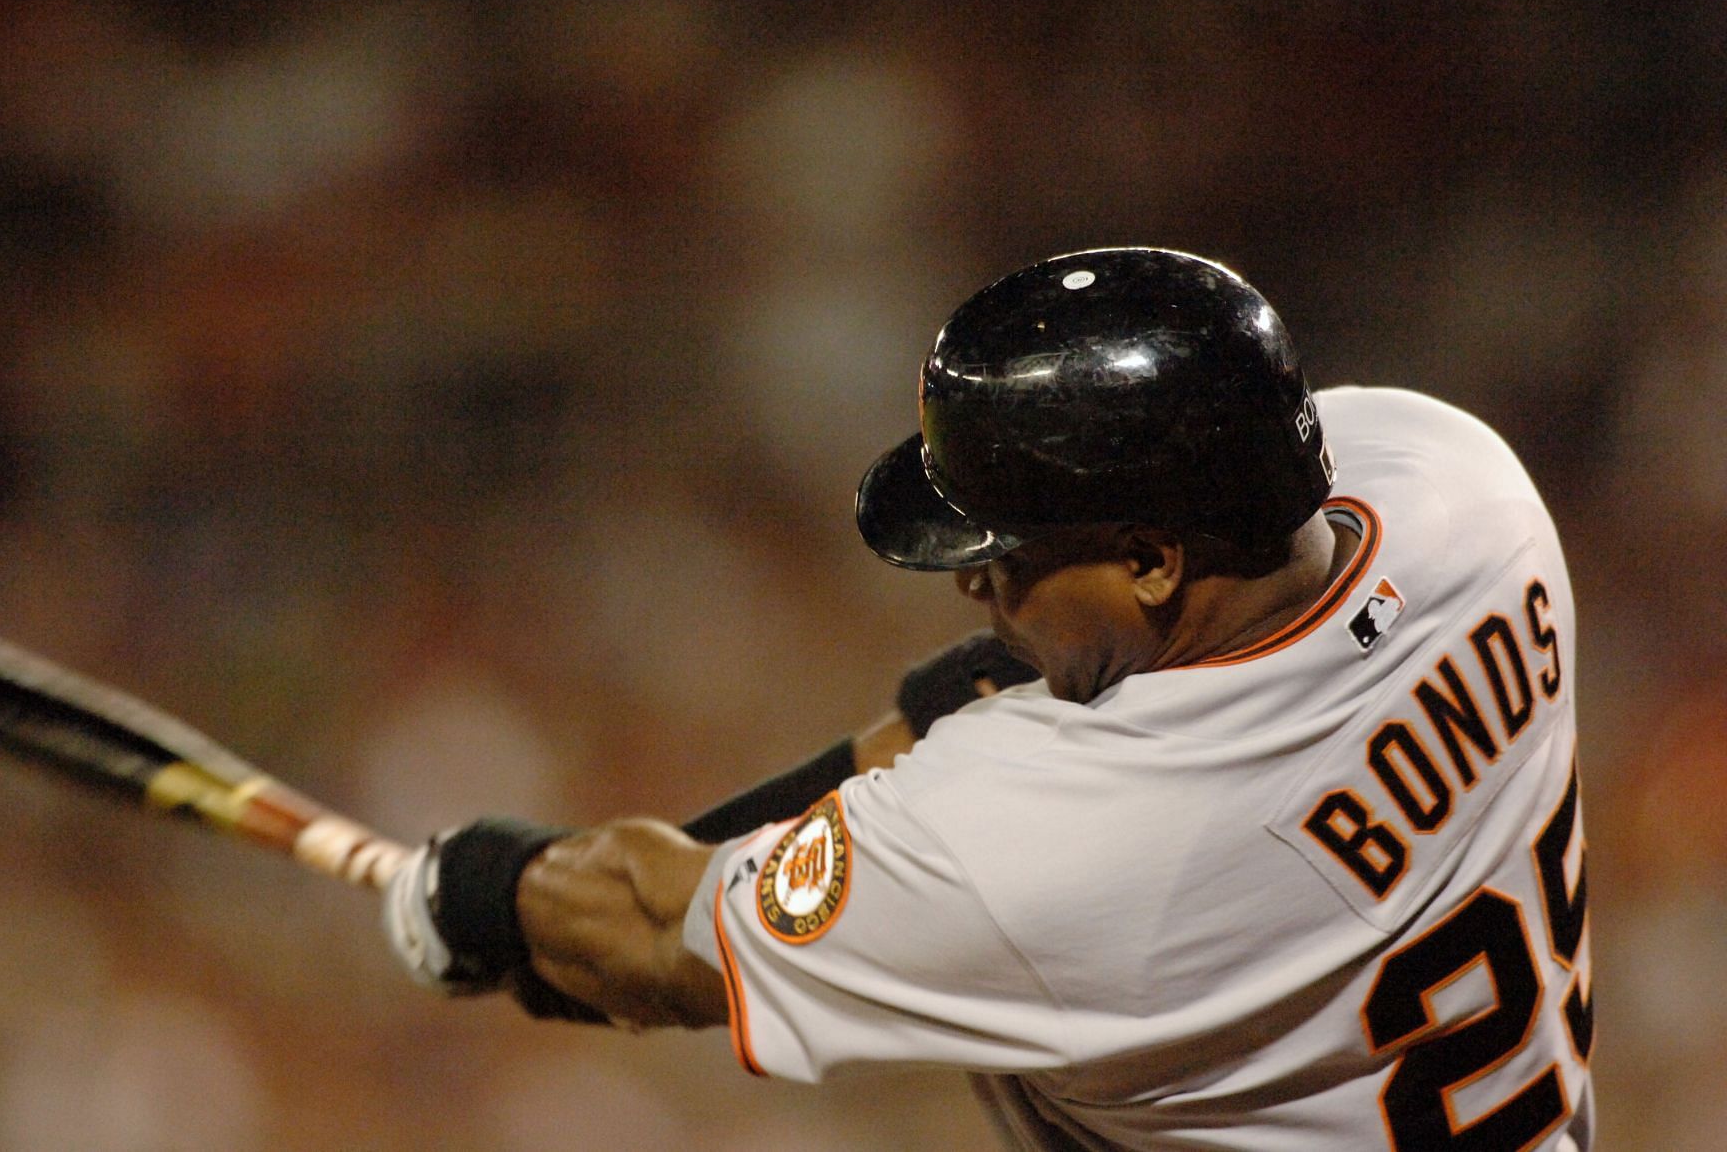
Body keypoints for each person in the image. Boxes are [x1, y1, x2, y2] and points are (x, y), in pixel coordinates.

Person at [382, 247, 1596, 1150]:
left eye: (1010, 551)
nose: (973, 577)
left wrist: (482, 894)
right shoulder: (1467, 495)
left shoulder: (1047, 852)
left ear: (1153, 559)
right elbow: (995, 699)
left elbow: (650, 941)